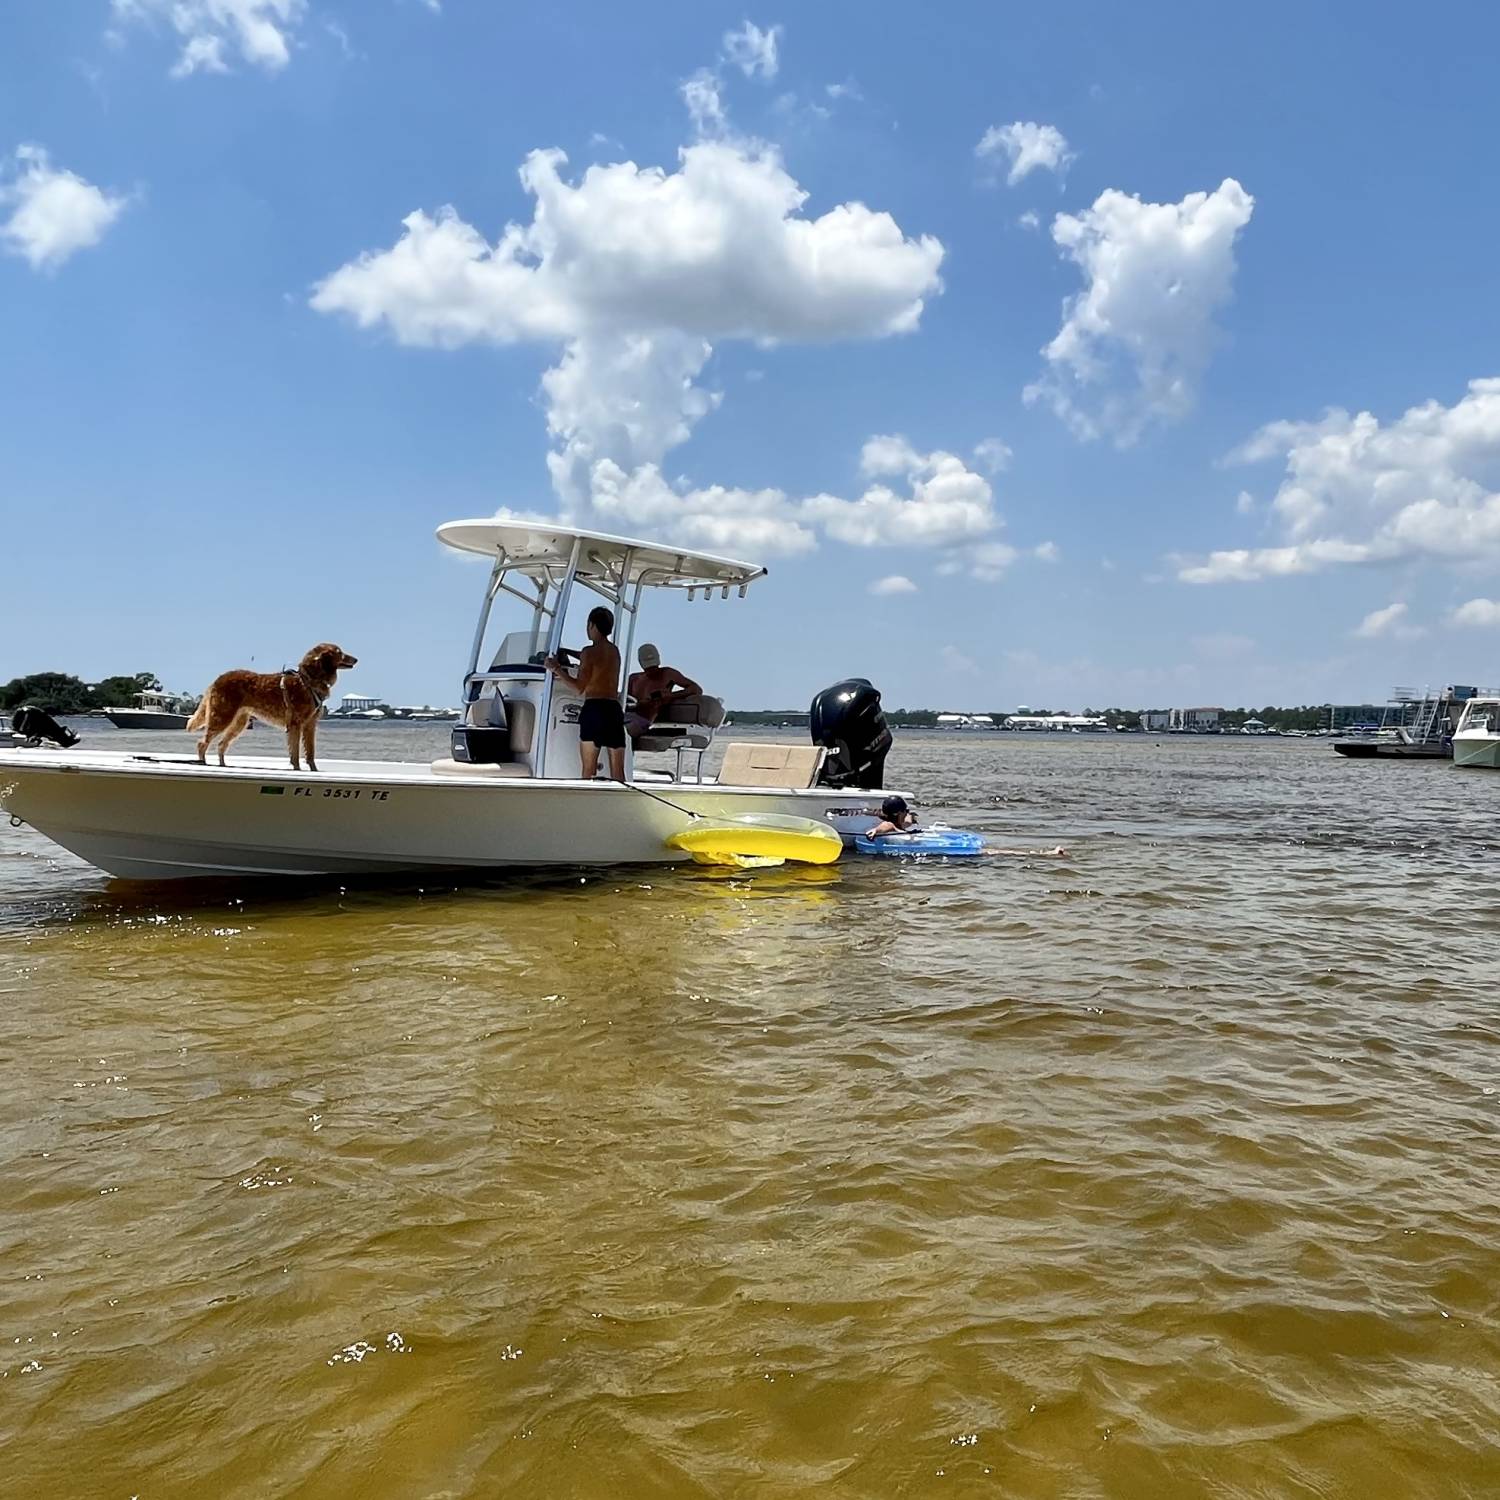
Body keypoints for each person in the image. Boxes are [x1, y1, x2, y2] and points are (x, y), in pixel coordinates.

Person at [545, 605, 625, 781]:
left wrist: (556, 669)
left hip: (595, 710)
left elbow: (578, 688)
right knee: (618, 773)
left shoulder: (589, 653)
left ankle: (587, 806)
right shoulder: (614, 651)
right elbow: (593, 658)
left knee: (589, 771)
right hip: (613, 710)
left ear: (592, 625)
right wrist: (568, 653)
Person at [866, 795, 1067, 856]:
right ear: (899, 812)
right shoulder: (889, 826)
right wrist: (874, 831)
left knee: (993, 852)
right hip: (941, 852)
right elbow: (883, 827)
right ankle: (1045, 854)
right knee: (993, 852)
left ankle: (1044, 854)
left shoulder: (902, 822)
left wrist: (911, 817)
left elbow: (909, 819)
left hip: (935, 847)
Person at [625, 644, 702, 742]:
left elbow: (696, 689)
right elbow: (626, 700)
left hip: (642, 719)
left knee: (619, 732)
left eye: (653, 666)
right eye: (649, 667)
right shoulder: (634, 678)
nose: (652, 670)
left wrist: (671, 696)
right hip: (626, 716)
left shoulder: (667, 674)